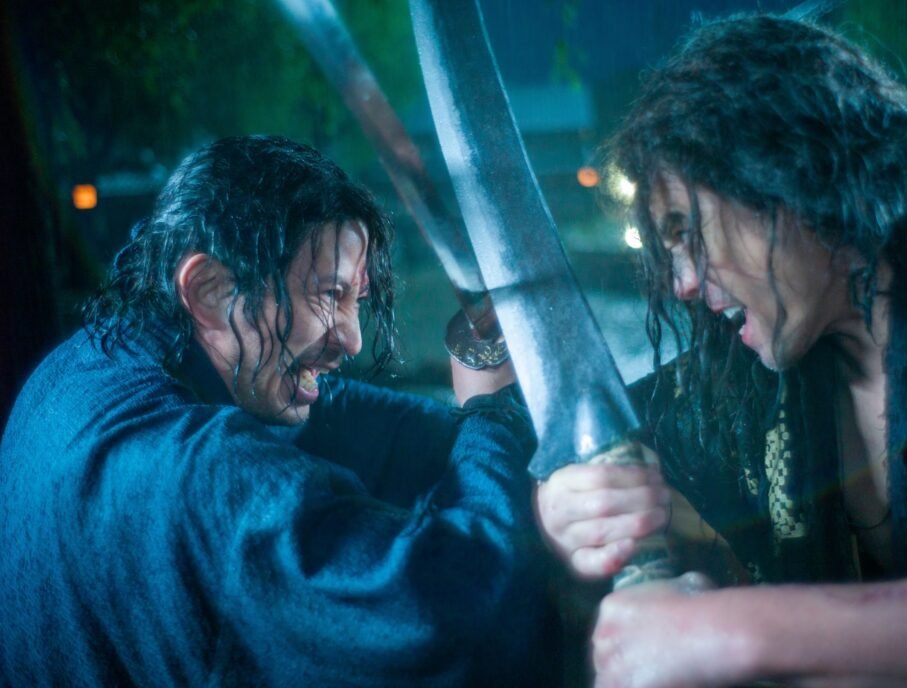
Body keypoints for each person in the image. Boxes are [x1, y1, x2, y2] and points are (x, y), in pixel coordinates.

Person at [534, 15, 907, 687]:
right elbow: (576, 449)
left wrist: (738, 632)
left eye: (687, 231)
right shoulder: (747, 384)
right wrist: (564, 512)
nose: (682, 284)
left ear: (785, 174)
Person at [0, 135, 556, 687]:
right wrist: (491, 409)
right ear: (211, 291)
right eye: (329, 295)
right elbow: (450, 614)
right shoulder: (198, 469)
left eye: (355, 300)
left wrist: (495, 438)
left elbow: (369, 422)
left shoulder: (89, 363)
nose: (352, 340)